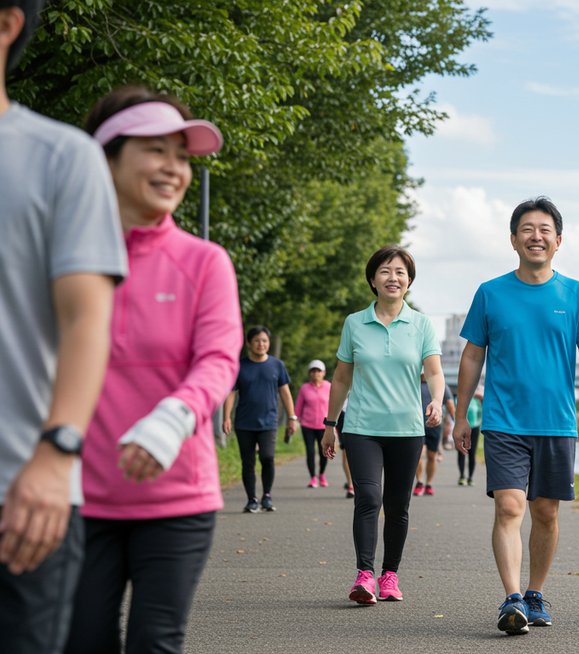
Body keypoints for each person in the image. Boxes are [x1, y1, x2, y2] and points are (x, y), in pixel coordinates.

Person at [65, 86, 242, 654]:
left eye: (181, 156)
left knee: (154, 642)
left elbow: (218, 359)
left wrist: (172, 419)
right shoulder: (61, 255)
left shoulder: (203, 261)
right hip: (76, 495)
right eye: (155, 150)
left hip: (176, 499)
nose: (173, 168)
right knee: (82, 641)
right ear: (108, 156)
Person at [0, 3, 126, 650]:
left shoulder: (59, 158)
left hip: (22, 490)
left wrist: (55, 456)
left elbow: (87, 318)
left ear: (7, 24)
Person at [453, 197, 579, 635]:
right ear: (513, 239)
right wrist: (461, 416)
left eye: (544, 230)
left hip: (556, 421)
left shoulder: (575, 293)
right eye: (526, 229)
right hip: (503, 421)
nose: (535, 236)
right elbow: (471, 356)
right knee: (509, 506)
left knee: (547, 512)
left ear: (558, 241)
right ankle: (512, 597)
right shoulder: (491, 292)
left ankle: (535, 592)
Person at [320, 245, 444, 605]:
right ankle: (364, 575)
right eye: (386, 271)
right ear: (373, 279)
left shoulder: (420, 324)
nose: (394, 278)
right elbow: (342, 378)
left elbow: (434, 372)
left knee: (398, 504)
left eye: (401, 272)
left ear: (409, 281)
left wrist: (435, 400)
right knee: (369, 497)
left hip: (407, 428)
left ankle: (390, 575)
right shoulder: (354, 323)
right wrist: (330, 424)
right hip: (362, 426)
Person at [223, 326, 296, 513]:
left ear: (269, 343)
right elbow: (231, 393)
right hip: (244, 422)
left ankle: (267, 496)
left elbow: (285, 393)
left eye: (264, 340)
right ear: (249, 343)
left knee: (268, 457)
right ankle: (252, 499)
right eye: (256, 340)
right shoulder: (240, 366)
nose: (261, 344)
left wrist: (291, 417)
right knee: (247, 462)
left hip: (269, 421)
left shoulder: (277, 365)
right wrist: (226, 418)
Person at [413, 375, 454, 497]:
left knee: (432, 456)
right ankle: (420, 482)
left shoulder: (440, 385)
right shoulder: (413, 383)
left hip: (434, 426)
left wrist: (457, 422)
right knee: (418, 455)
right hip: (416, 425)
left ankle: (429, 484)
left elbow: (450, 404)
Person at [295, 360, 332, 488]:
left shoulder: (329, 386)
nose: (316, 373)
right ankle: (312, 478)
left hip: (324, 426)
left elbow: (333, 406)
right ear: (309, 373)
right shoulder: (304, 388)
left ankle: (321, 474)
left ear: (324, 373)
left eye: (318, 371)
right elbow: (299, 406)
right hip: (307, 425)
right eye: (313, 371)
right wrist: (295, 421)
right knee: (310, 452)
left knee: (324, 452)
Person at [457, 389, 484, 486]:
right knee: (462, 452)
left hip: (474, 428)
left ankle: (470, 477)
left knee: (472, 453)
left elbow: (481, 414)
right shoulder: (459, 400)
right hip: (462, 428)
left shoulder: (476, 401)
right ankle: (462, 476)